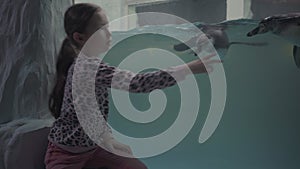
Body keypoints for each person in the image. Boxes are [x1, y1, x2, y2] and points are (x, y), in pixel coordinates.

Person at [45, 3, 220, 169]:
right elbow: (138, 83)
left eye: (108, 26)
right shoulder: (87, 68)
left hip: (94, 148)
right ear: (80, 37)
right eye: (101, 29)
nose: (109, 33)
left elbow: (90, 112)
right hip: (66, 153)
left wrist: (108, 140)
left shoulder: (89, 65)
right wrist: (189, 68)